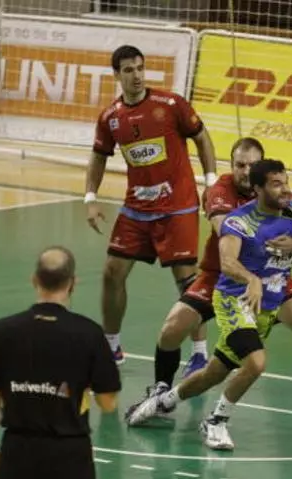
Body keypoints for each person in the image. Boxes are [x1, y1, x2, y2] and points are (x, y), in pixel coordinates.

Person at [124, 159, 292, 450]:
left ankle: (164, 401)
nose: (285, 189)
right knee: (256, 362)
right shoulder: (239, 222)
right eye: (276, 184)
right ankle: (216, 421)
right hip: (234, 300)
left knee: (214, 373)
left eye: (286, 182)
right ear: (258, 189)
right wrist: (251, 279)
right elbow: (227, 262)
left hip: (266, 306)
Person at [85, 44, 218, 367]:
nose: (137, 76)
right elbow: (99, 156)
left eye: (141, 68)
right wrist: (90, 197)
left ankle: (199, 353)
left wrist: (211, 182)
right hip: (137, 208)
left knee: (187, 282)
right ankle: (111, 346)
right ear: (116, 75)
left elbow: (202, 137)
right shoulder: (110, 118)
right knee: (112, 272)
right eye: (129, 70)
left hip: (177, 206)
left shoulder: (171, 104)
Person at [0, 246, 122, 479]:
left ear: (34, 280)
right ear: (72, 283)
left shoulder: (3, 330)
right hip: (70, 455)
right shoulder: (90, 334)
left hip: (18, 453)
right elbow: (108, 403)